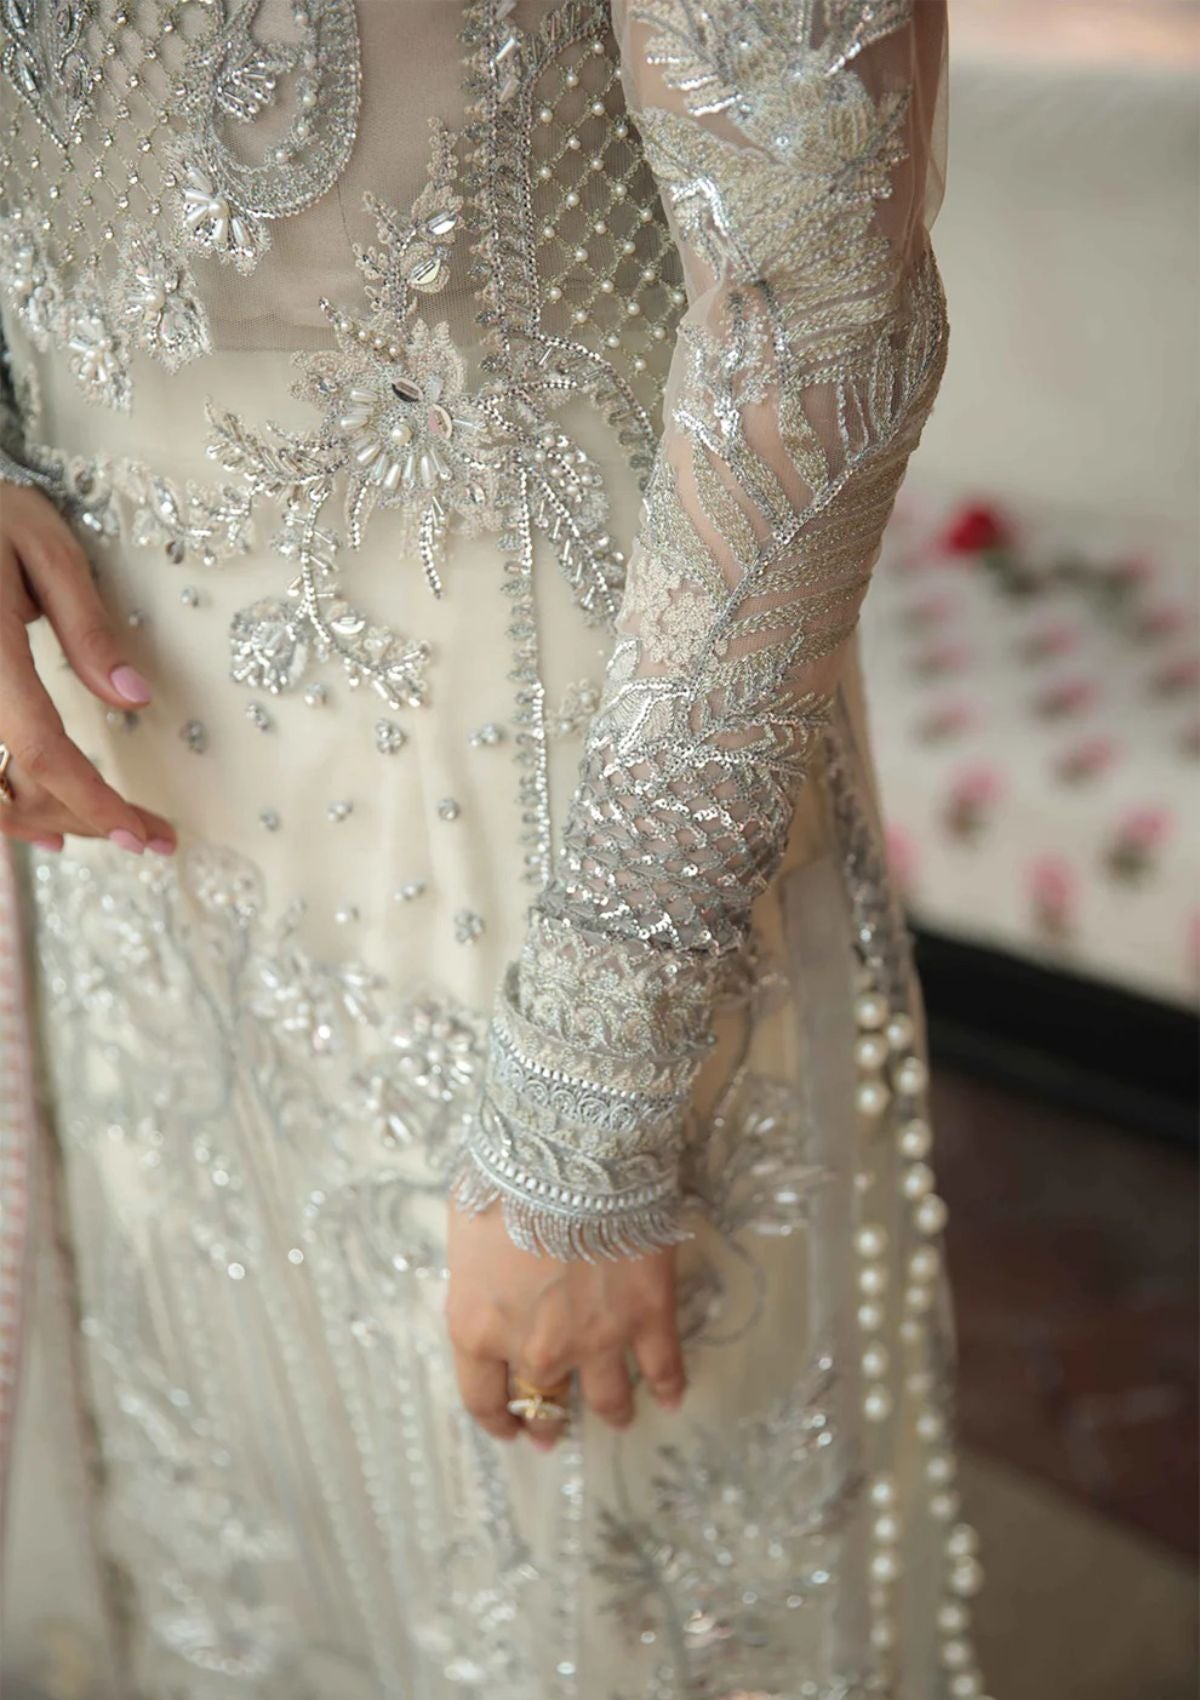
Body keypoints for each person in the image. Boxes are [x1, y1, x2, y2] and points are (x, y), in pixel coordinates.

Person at [0, 1, 990, 1695]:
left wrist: (592, 1097)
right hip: (124, 851)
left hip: (562, 856)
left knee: (579, 1595)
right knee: (235, 1528)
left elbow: (816, 319)